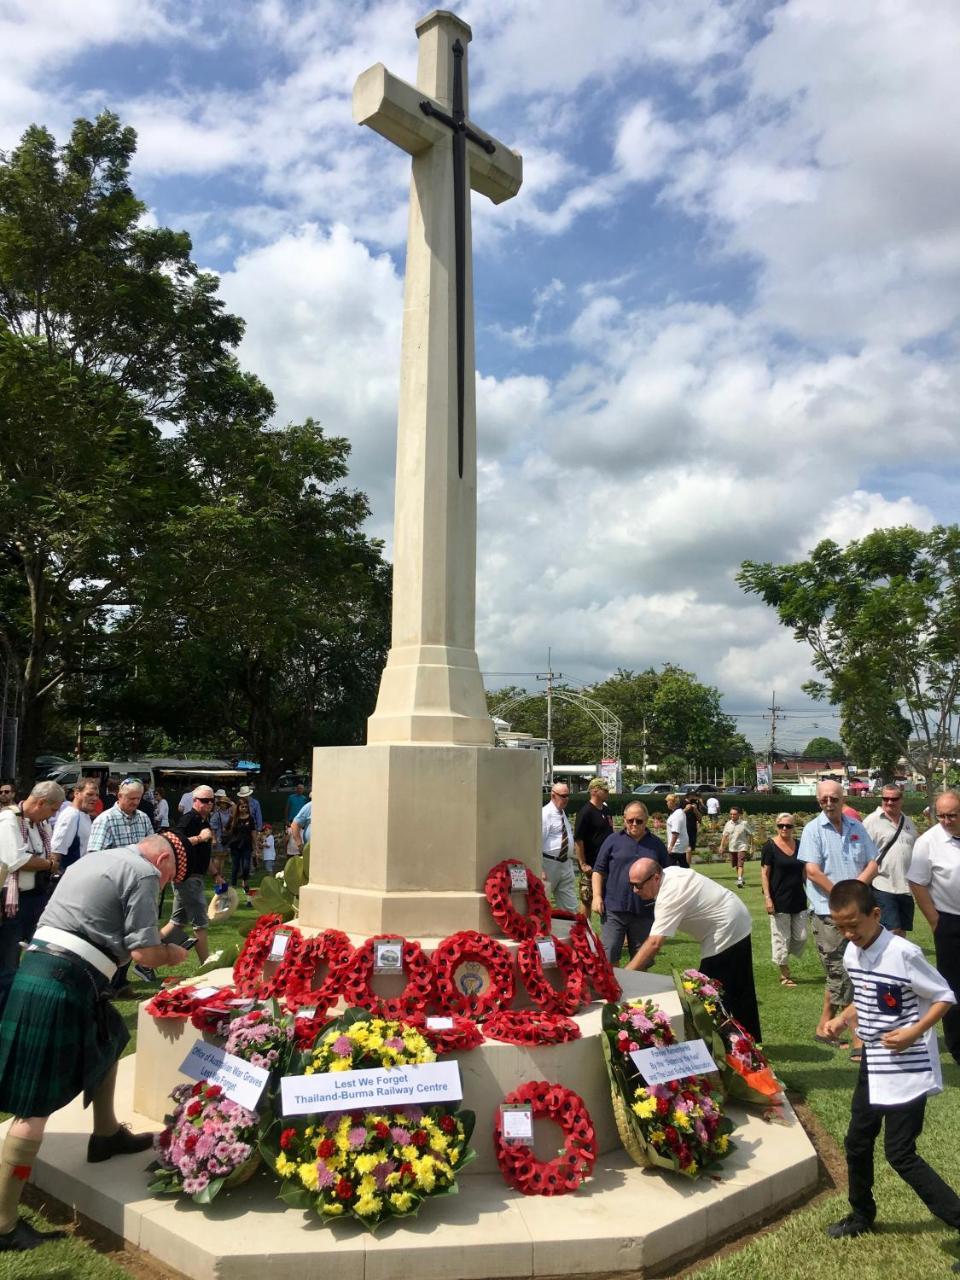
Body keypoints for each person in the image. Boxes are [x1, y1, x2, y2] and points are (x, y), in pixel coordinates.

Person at [0, 832, 190, 1253]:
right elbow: (143, 955)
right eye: (169, 880)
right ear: (161, 863)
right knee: (34, 1105)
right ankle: (4, 1222)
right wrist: (174, 954)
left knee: (113, 1037)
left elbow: (111, 939)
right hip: (64, 980)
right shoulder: (142, 873)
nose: (163, 887)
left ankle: (106, 1134)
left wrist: (160, 935)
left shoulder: (98, 859)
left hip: (46, 965)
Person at [822, 879, 960, 1246]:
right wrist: (843, 1018)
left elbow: (944, 996)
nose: (848, 933)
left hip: (908, 1067)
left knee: (900, 1153)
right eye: (841, 927)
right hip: (874, 1063)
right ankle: (861, 1213)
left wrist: (914, 1032)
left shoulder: (904, 953)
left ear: (876, 914)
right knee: (857, 1141)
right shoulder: (853, 952)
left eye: (854, 924)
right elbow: (871, 995)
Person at [624, 858, 761, 1042]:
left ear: (655, 878)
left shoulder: (670, 894)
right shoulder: (670, 873)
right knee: (738, 988)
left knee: (709, 994)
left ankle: (726, 1045)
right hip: (736, 918)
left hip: (726, 929)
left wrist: (624, 977)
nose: (635, 891)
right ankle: (746, 1041)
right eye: (631, 885)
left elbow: (655, 943)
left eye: (638, 885)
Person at [799, 778, 879, 1056]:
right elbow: (812, 871)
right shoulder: (813, 830)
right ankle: (859, 1040)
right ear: (818, 800)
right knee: (841, 972)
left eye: (834, 798)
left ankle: (825, 1027)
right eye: (824, 799)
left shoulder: (857, 827)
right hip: (828, 913)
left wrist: (857, 890)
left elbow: (872, 862)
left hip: (858, 912)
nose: (829, 803)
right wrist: (842, 895)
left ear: (843, 798)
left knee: (855, 971)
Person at [0, 782, 65, 1009]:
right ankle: (6, 1013)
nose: (53, 814)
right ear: (40, 803)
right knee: (8, 963)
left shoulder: (39, 824)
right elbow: (17, 861)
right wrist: (49, 864)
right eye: (53, 809)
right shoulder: (10, 821)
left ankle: (24, 1004)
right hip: (14, 902)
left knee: (34, 956)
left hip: (37, 897)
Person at [908, 789, 960, 1067]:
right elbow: (916, 881)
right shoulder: (928, 842)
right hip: (950, 921)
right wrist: (934, 919)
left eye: (952, 815)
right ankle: (957, 1045)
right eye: (941, 815)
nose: (946, 821)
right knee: (953, 987)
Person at [592, 802, 669, 965]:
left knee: (642, 959)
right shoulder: (612, 841)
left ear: (646, 820)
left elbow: (667, 875)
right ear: (624, 819)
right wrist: (597, 896)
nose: (634, 824)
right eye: (630, 820)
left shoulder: (656, 844)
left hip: (645, 910)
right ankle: (611, 989)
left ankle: (640, 991)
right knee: (609, 956)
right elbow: (598, 871)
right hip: (614, 909)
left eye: (639, 821)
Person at [160, 785, 215, 964]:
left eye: (211, 801)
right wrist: (200, 838)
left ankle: (146, 960)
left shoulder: (203, 821)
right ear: (195, 801)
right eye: (204, 800)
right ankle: (206, 964)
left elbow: (204, 854)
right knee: (200, 923)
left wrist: (216, 874)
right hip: (188, 878)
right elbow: (175, 843)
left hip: (195, 877)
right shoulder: (189, 819)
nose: (209, 804)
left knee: (176, 923)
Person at [862, 784, 918, 937]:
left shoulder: (907, 821)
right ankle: (883, 959)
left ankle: (897, 960)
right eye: (885, 798)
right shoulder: (871, 821)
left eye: (894, 799)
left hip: (905, 887)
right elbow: (861, 852)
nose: (889, 802)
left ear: (901, 800)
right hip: (882, 884)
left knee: (902, 931)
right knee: (890, 930)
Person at [760, 812, 807, 986]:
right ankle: (784, 973)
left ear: (793, 827)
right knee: (782, 937)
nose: (785, 829)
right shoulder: (770, 846)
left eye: (788, 826)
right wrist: (767, 898)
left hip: (798, 898)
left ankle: (786, 956)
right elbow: (765, 873)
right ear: (777, 826)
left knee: (801, 937)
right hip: (779, 899)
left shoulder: (800, 845)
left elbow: (804, 872)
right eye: (781, 826)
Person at [573, 779, 613, 911]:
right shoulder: (585, 812)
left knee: (607, 898)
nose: (607, 792)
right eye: (604, 790)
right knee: (587, 899)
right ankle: (584, 930)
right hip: (591, 864)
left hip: (607, 862)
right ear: (594, 791)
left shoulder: (606, 810)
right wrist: (583, 863)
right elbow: (578, 840)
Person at [50, 776, 100, 874]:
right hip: (70, 875)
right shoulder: (71, 816)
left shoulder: (84, 814)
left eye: (97, 795)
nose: (94, 798)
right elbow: (56, 851)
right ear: (77, 794)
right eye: (89, 794)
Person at [541, 782, 578, 913]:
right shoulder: (545, 814)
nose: (566, 799)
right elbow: (537, 842)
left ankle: (572, 931)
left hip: (565, 865)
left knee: (571, 907)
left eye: (568, 796)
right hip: (549, 864)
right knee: (541, 904)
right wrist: (539, 868)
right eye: (563, 796)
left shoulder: (562, 813)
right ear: (553, 795)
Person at [226, 794, 256, 904]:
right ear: (238, 807)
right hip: (235, 846)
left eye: (245, 806)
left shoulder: (250, 818)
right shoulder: (234, 818)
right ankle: (232, 889)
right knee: (235, 867)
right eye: (242, 806)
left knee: (246, 866)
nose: (244, 808)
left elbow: (253, 832)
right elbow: (227, 829)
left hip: (247, 846)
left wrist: (256, 845)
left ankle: (245, 882)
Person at [720, 805, 752, 888]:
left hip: (742, 846)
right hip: (732, 847)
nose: (732, 816)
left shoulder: (744, 824)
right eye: (731, 814)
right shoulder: (728, 824)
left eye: (734, 814)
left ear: (739, 815)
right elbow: (724, 836)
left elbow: (751, 834)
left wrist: (751, 846)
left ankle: (740, 880)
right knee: (736, 865)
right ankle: (740, 877)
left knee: (740, 863)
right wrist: (721, 846)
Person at [664, 793, 689, 867]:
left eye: (668, 801)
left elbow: (675, 832)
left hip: (677, 845)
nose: (667, 803)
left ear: (672, 802)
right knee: (683, 864)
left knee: (669, 866)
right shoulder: (677, 812)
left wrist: (671, 846)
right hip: (680, 844)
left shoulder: (677, 814)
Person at [683, 795, 701, 865]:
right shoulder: (681, 803)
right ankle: (686, 867)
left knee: (689, 848)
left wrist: (695, 809)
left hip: (692, 830)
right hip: (682, 830)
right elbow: (676, 815)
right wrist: (686, 809)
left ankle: (688, 866)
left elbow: (700, 818)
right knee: (686, 849)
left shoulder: (695, 805)